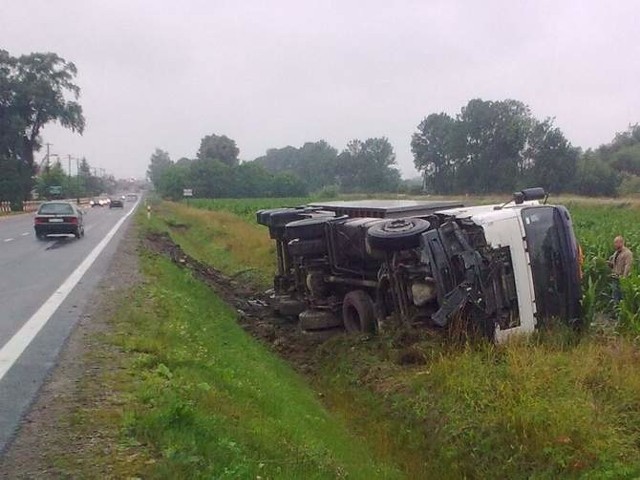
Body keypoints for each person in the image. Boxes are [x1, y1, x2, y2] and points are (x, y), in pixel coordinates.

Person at [608, 235, 633, 303]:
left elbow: (628, 266)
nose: (615, 244)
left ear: (621, 243)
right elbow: (614, 265)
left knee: (622, 297)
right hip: (615, 277)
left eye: (616, 242)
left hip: (621, 279)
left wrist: (624, 278)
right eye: (614, 243)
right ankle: (616, 310)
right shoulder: (616, 252)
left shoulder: (627, 253)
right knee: (615, 296)